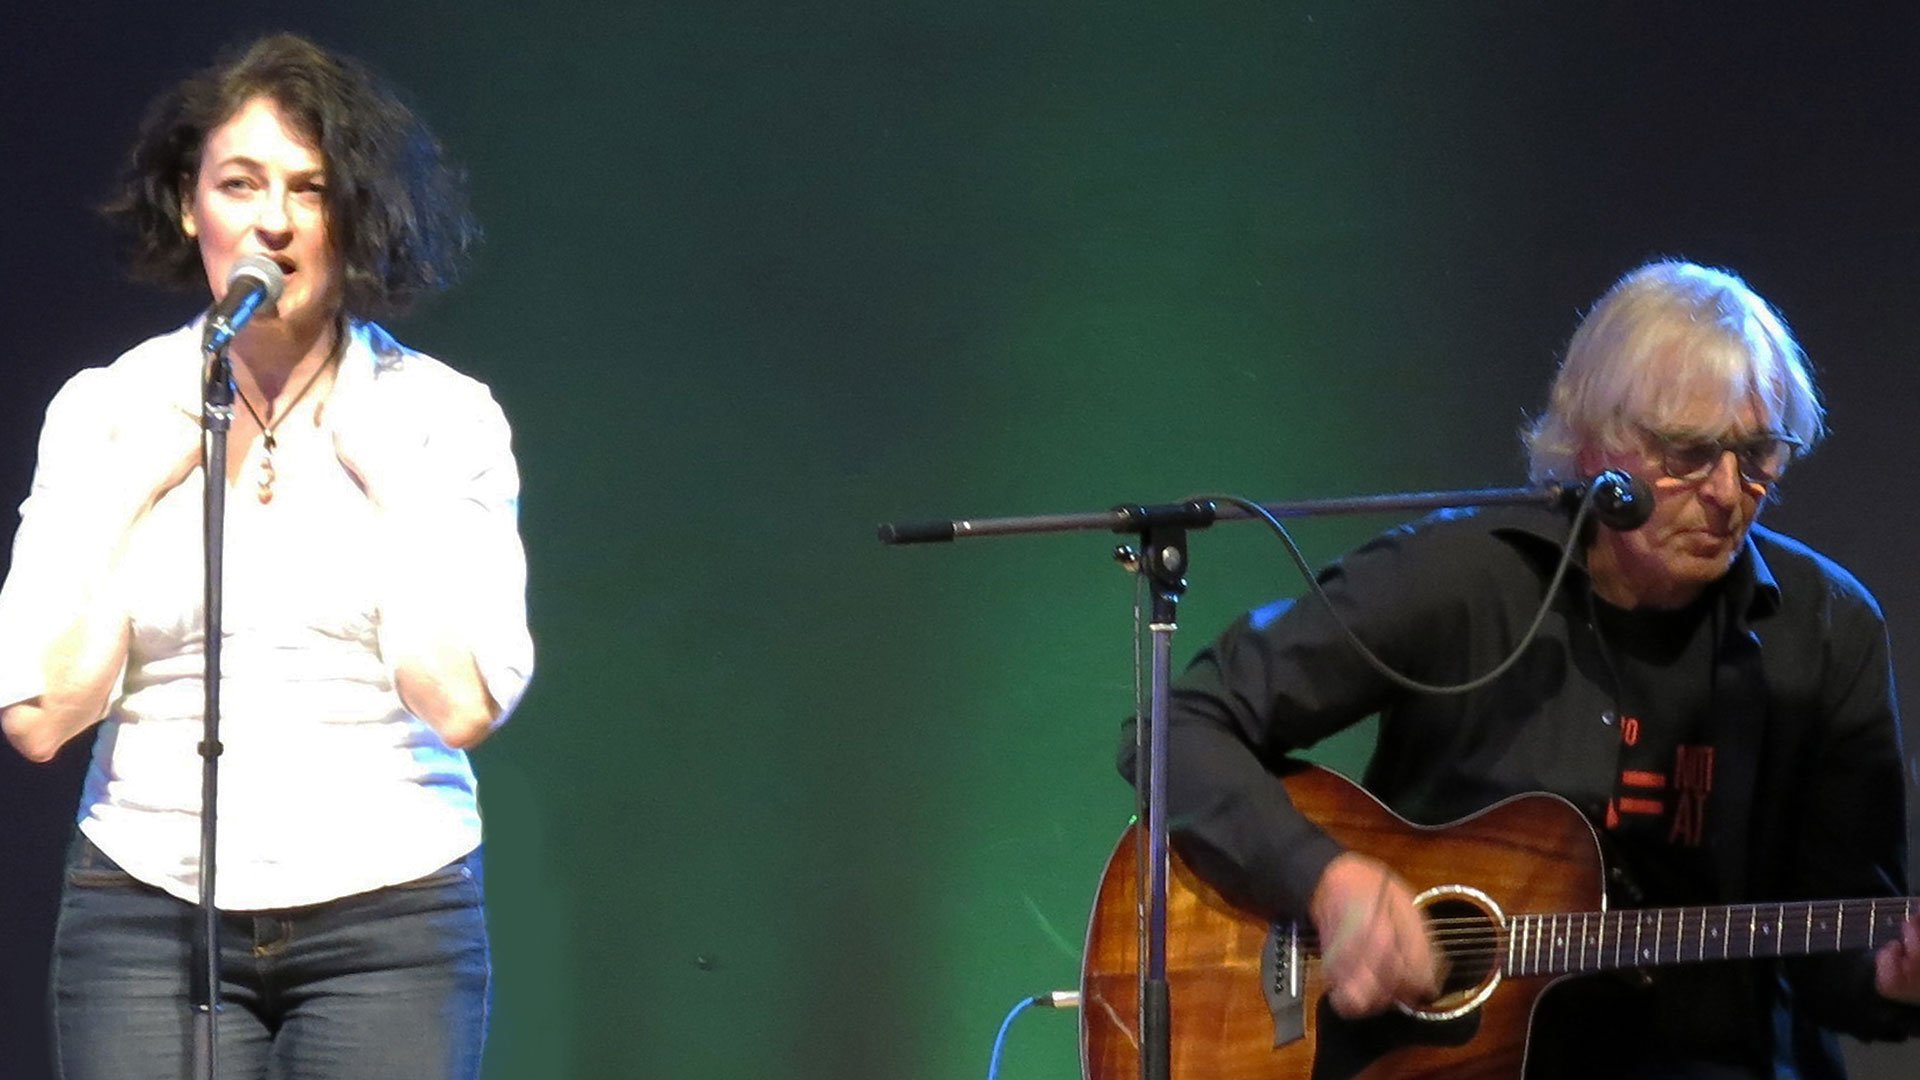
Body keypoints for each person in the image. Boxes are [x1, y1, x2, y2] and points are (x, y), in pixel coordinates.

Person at [1139, 261, 1920, 1077]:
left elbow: (1849, 961)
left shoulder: (1829, 632)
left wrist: (1898, 980)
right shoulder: (1460, 582)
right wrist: (1325, 880)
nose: (1729, 492)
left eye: (1758, 451)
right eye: (1689, 453)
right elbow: (1180, 727)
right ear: (1595, 449)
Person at [0, 33, 532, 1080]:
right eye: (240, 185)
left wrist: (400, 494)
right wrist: (120, 498)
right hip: (148, 916)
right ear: (192, 206)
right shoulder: (109, 411)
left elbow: (462, 705)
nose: (273, 223)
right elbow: (39, 716)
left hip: (391, 919)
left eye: (310, 189)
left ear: (358, 216)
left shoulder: (439, 418)